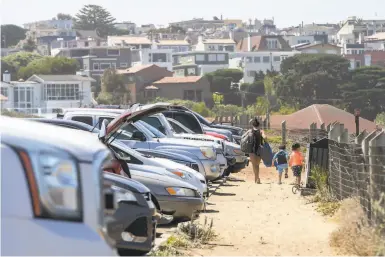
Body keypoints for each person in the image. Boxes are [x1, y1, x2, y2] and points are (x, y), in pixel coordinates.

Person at [249, 117, 266, 184]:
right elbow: (265, 137)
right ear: (259, 125)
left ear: (252, 125)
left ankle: (256, 178)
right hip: (259, 149)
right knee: (257, 165)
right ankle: (257, 178)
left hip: (251, 150)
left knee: (253, 165)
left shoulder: (250, 131)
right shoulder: (261, 131)